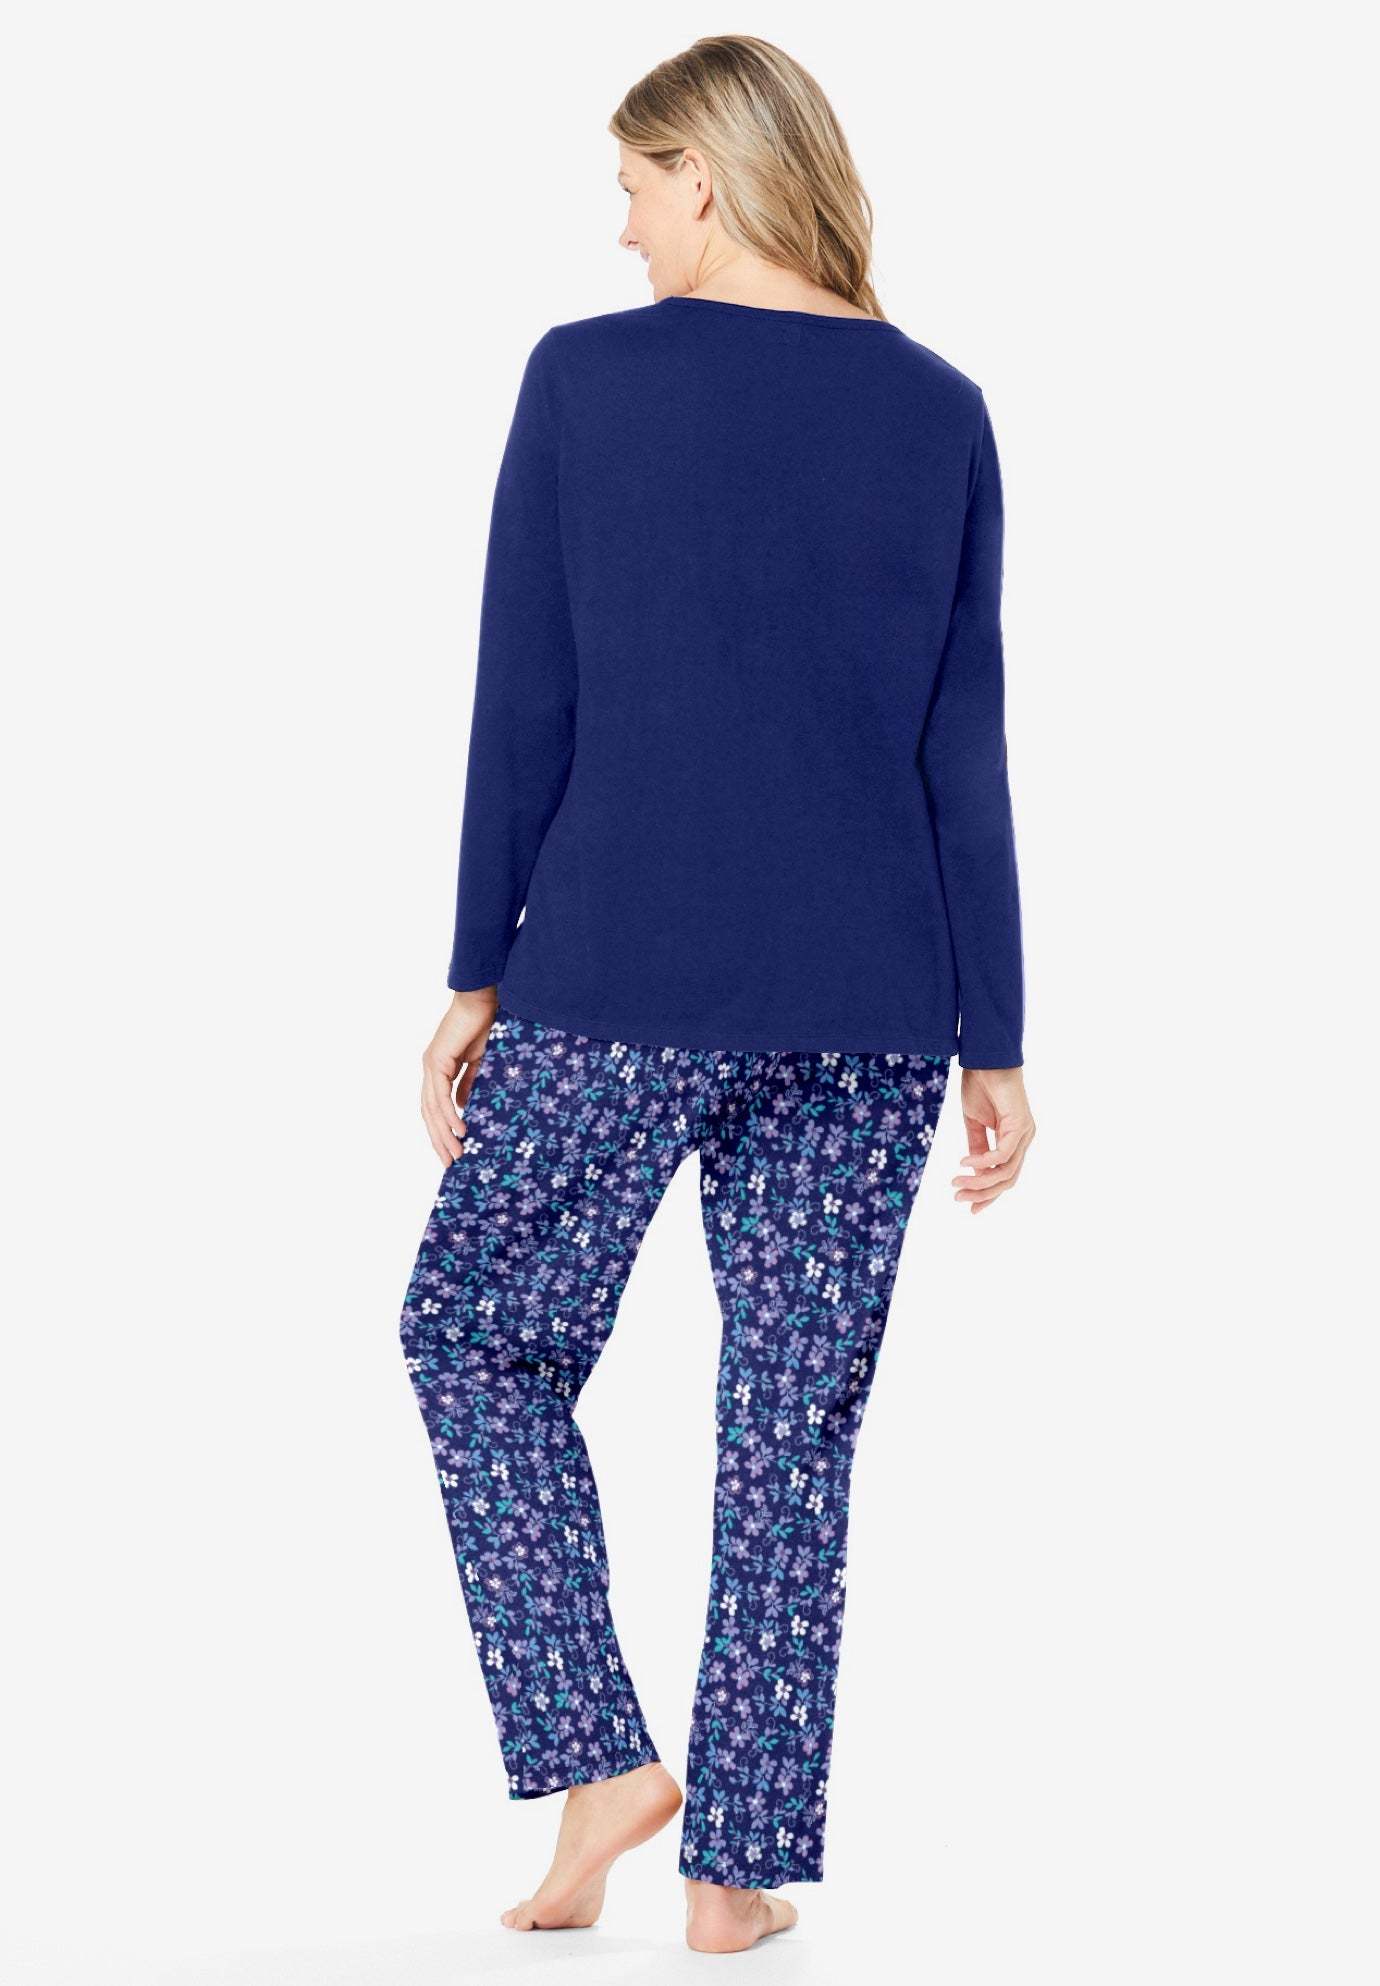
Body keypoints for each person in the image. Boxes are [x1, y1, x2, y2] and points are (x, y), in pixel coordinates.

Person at [399, 32, 1036, 1957]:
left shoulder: (585, 381)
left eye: (633, 184)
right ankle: (732, 1872)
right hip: (874, 1009)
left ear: (706, 171)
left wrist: (473, 968)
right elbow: (963, 748)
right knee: (790, 1427)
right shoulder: (941, 410)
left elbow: (526, 698)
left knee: (476, 1340)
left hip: (614, 972)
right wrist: (996, 1033)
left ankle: (602, 1761)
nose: (622, 225)